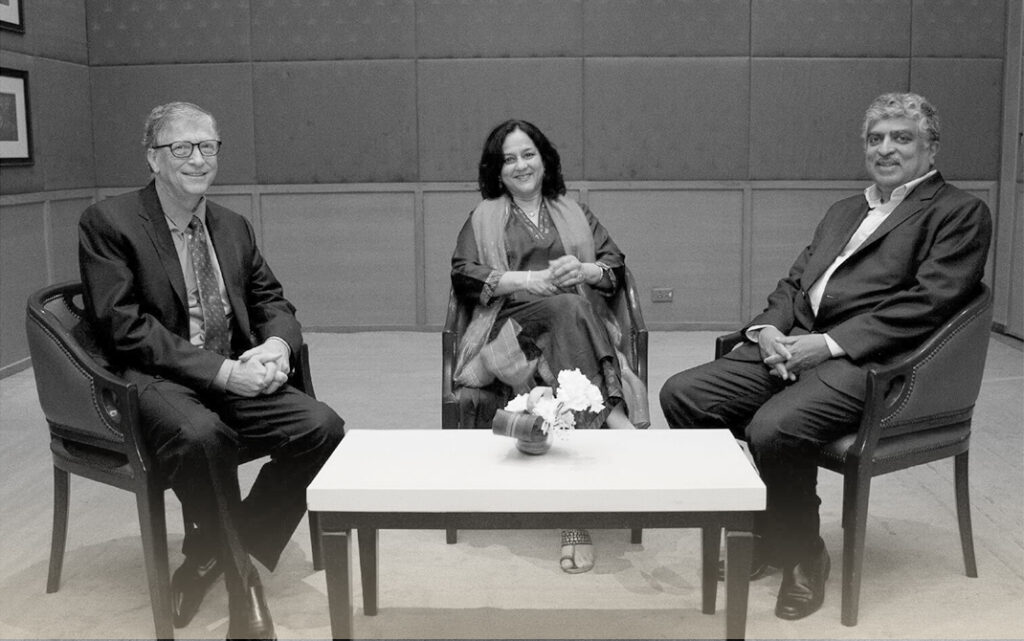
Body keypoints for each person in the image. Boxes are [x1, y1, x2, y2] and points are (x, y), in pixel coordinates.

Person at [659, 92, 991, 620]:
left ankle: (803, 554)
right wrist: (769, 330)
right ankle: (763, 529)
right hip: (798, 341)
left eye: (901, 138)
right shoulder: (844, 210)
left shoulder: (959, 213)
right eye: (875, 138)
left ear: (931, 148)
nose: (885, 148)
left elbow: (930, 303)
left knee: (774, 428)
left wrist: (829, 345)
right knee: (685, 394)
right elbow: (796, 284)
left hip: (874, 364)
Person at [78, 102, 345, 640]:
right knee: (202, 437)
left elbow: (272, 300)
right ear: (153, 158)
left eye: (208, 146)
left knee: (323, 428)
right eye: (182, 147)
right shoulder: (109, 222)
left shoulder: (231, 225)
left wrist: (276, 346)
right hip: (156, 378)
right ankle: (245, 586)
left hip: (234, 367)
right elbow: (124, 329)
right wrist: (222, 373)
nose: (198, 159)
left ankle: (211, 549)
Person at [451, 119, 649, 574]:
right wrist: (527, 280)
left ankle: (575, 520)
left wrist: (585, 271)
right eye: (509, 159)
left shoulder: (575, 212)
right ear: (497, 171)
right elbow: (464, 274)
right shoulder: (483, 217)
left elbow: (614, 264)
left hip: (573, 330)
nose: (521, 165)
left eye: (528, 154)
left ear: (544, 160)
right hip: (509, 332)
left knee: (569, 308)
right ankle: (613, 418)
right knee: (567, 308)